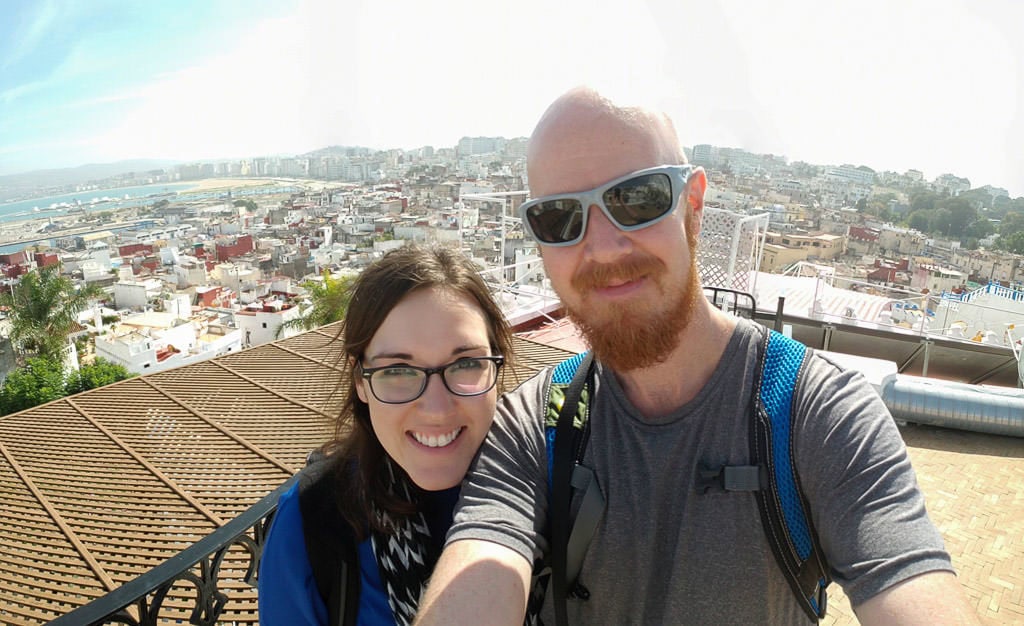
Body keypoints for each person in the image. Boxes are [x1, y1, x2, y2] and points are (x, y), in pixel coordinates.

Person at [415, 87, 979, 624]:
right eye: (560, 217)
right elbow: (483, 553)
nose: (605, 247)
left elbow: (910, 582)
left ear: (693, 203)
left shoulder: (818, 415)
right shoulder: (537, 424)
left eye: (636, 199)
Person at [258, 244, 514, 626]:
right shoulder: (313, 519)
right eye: (397, 370)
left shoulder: (555, 484)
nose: (437, 408)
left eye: (466, 363)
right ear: (360, 380)